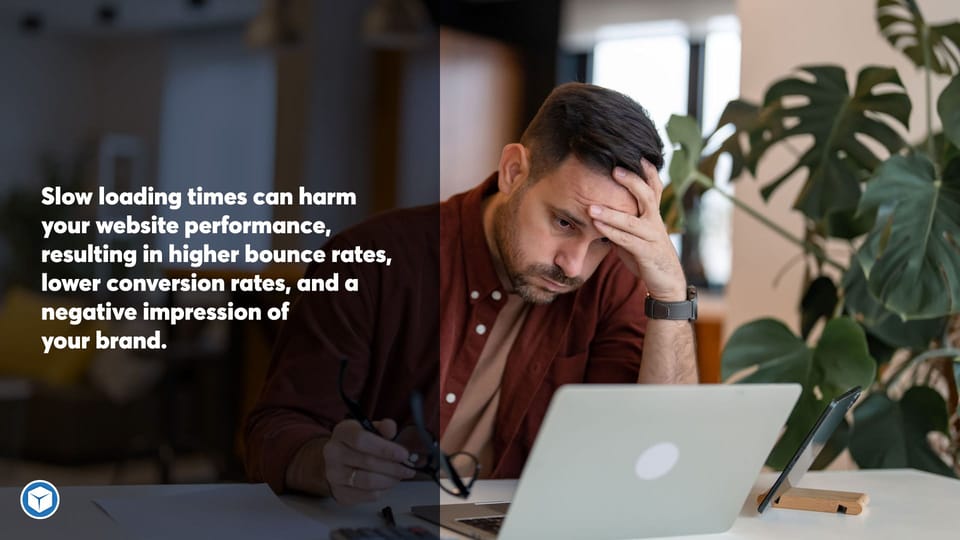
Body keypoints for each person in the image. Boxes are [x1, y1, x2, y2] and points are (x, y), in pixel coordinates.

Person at [244, 82, 698, 505]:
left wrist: (671, 290)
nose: (575, 265)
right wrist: (326, 462)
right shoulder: (369, 258)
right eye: (564, 223)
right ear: (514, 171)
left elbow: (659, 460)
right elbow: (275, 430)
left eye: (605, 240)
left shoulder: (612, 281)